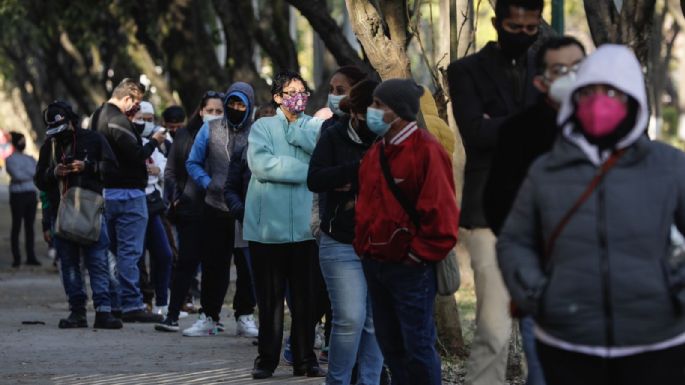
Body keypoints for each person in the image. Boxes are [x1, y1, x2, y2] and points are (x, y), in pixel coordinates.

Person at [497, 44, 685, 385]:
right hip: (568, 342)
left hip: (657, 343)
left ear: (634, 100)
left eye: (612, 92)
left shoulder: (671, 166)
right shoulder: (546, 171)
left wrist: (677, 292)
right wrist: (538, 293)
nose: (600, 102)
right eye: (588, 92)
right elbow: (515, 239)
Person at [446, 1, 543, 383]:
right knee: (494, 329)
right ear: (497, 23)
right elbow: (475, 134)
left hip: (544, 210)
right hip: (488, 214)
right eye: (514, 27)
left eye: (531, 28)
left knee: (549, 329)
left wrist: (499, 125)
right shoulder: (465, 71)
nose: (523, 35)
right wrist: (535, 123)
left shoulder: (546, 68)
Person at [483, 36, 585, 385]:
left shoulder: (611, 125)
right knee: (545, 371)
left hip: (602, 282)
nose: (572, 77)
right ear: (541, 81)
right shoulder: (518, 132)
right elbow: (497, 205)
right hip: (543, 278)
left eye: (579, 68)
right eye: (561, 70)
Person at [354, 79, 459, 385]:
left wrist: (416, 254)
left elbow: (441, 212)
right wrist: (365, 249)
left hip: (411, 269)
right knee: (391, 347)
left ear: (398, 112)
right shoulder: (375, 153)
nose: (371, 110)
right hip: (375, 264)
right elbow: (366, 207)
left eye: (378, 104)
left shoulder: (427, 151)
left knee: (418, 348)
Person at [245, 71, 326, 379]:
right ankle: (266, 359)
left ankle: (305, 360)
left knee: (307, 302)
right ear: (277, 97)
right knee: (270, 303)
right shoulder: (263, 127)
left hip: (306, 231)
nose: (298, 97)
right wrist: (309, 171)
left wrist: (298, 132)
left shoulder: (315, 127)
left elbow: (323, 156)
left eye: (302, 91)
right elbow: (263, 166)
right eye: (291, 92)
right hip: (267, 232)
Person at [307, 79, 384, 385]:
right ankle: (337, 381)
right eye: (370, 110)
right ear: (355, 112)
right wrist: (357, 170)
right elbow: (315, 179)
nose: (376, 117)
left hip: (380, 241)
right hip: (340, 240)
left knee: (374, 323)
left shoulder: (388, 138)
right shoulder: (333, 135)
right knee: (350, 318)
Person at [34, 101, 122, 329]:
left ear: (71, 122)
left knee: (98, 261)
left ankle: (103, 311)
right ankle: (77, 312)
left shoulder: (94, 140)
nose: (59, 136)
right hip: (61, 213)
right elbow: (39, 182)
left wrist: (87, 167)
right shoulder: (49, 146)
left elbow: (113, 170)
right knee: (70, 265)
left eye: (62, 130)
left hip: (91, 210)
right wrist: (54, 172)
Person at [183, 82, 257, 337]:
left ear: (249, 105)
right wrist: (209, 183)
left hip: (246, 210)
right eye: (232, 104)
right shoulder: (210, 128)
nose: (236, 109)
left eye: (241, 104)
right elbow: (192, 162)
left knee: (247, 267)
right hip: (214, 207)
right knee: (214, 265)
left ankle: (245, 315)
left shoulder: (257, 131)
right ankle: (209, 315)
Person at [91, 78, 167, 323]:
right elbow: (135, 156)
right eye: (137, 103)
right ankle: (132, 304)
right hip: (129, 195)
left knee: (112, 252)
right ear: (128, 99)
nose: (137, 109)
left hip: (106, 192)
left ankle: (114, 302)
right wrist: (155, 141)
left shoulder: (97, 115)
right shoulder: (117, 119)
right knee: (129, 253)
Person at [155, 92, 220, 332]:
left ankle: (211, 317)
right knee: (186, 263)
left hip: (219, 210)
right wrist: (176, 198)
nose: (214, 116)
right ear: (200, 111)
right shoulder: (185, 136)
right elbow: (171, 171)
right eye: (210, 110)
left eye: (218, 111)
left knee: (215, 266)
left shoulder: (229, 136)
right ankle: (173, 314)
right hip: (190, 210)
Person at [132, 101, 174, 316]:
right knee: (135, 257)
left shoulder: (156, 141)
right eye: (140, 119)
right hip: (133, 204)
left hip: (153, 205)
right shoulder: (128, 140)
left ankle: (162, 303)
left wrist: (158, 169)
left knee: (164, 255)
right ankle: (138, 302)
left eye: (149, 119)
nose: (145, 123)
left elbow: (165, 165)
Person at [6, 132, 39, 267]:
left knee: (30, 227)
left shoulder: (30, 158)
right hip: (18, 195)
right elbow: (17, 175)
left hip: (31, 194)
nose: (22, 143)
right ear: (15, 142)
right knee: (17, 226)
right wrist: (29, 174)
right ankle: (17, 258)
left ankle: (31, 256)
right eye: (20, 141)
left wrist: (27, 174)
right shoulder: (10, 159)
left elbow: (36, 173)